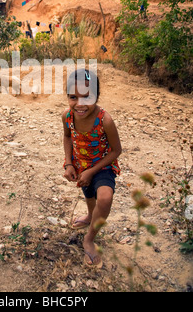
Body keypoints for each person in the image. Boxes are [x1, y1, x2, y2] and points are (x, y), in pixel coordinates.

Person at [62, 69, 122, 268]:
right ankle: (89, 216)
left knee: (104, 198)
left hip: (103, 166)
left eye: (87, 97)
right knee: (89, 195)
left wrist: (92, 170)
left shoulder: (105, 120)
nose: (80, 103)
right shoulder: (67, 117)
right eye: (73, 97)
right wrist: (69, 163)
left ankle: (89, 238)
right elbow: (68, 137)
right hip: (81, 165)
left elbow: (116, 150)